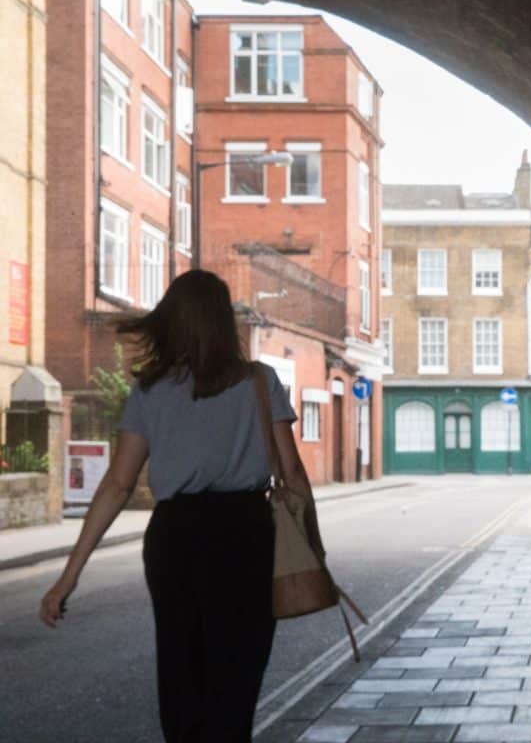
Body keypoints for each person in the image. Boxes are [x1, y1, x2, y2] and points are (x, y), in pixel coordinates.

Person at [38, 269, 324, 742]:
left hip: (176, 536)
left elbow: (117, 484)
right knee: (238, 672)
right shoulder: (260, 381)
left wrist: (68, 577)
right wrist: (310, 550)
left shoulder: (150, 391)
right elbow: (292, 473)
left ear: (172, 321)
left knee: (181, 667)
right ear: (222, 322)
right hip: (246, 533)